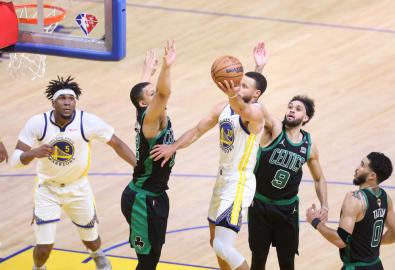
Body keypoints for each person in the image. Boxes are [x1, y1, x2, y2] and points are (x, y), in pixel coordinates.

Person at [150, 57, 267, 270]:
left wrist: (234, 93)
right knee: (215, 243)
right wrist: (173, 147)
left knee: (223, 246)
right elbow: (197, 131)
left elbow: (245, 110)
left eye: (244, 85)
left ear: (256, 94)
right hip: (222, 180)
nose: (238, 87)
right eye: (238, 83)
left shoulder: (257, 113)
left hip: (239, 183)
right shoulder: (222, 108)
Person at [10, 76, 136, 270]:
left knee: (92, 240)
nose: (67, 102)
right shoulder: (38, 123)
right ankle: (38, 268)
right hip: (47, 190)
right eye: (62, 98)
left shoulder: (88, 121)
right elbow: (15, 161)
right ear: (53, 102)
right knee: (44, 247)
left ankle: (96, 254)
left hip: (78, 187)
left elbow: (117, 143)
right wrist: (34, 153)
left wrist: (138, 166)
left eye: (71, 98)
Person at [247, 43, 328, 270]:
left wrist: (325, 205)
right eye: (290, 106)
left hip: (287, 209)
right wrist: (258, 68)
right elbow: (254, 104)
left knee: (287, 263)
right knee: (258, 261)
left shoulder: (309, 146)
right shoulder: (273, 130)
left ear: (306, 118)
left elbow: (319, 178)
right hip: (260, 205)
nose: (291, 110)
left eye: (298, 109)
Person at [120, 40, 177, 270]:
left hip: (154, 194)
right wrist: (166, 67)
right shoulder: (151, 120)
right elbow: (163, 93)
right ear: (145, 104)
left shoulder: (144, 109)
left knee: (153, 255)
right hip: (142, 199)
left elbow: (142, 93)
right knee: (148, 260)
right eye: (151, 93)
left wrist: (146, 71)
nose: (156, 95)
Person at [306, 152, 395, 270]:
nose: (357, 168)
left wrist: (315, 222)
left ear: (372, 175)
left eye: (362, 165)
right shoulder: (385, 198)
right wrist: (373, 243)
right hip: (377, 265)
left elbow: (341, 240)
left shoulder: (354, 199)